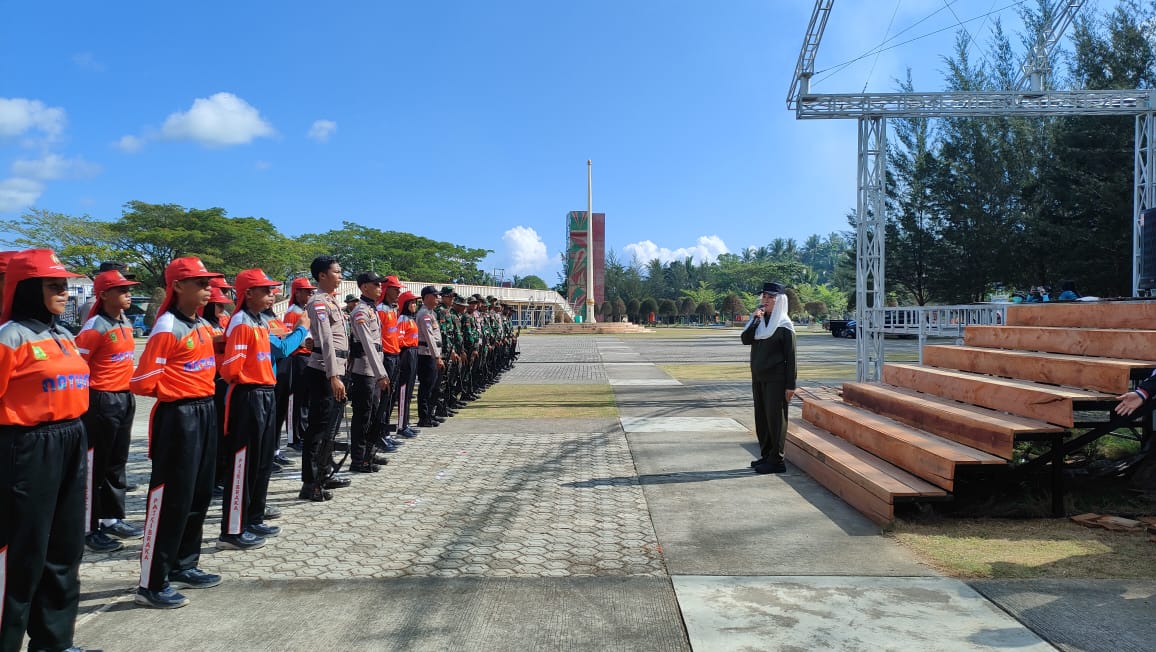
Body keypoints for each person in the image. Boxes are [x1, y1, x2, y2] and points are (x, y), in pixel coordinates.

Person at [0, 249, 90, 651]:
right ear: (26, 289)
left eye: (64, 285)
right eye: (53, 286)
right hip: (28, 446)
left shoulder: (63, 335)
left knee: (65, 545)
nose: (62, 292)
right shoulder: (11, 336)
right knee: (24, 550)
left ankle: (54, 640)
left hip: (71, 438)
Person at [130, 257, 226, 609]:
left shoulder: (200, 323)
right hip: (179, 416)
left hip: (204, 411)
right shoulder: (167, 326)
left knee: (199, 494)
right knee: (172, 498)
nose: (207, 289)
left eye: (208, 283)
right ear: (178, 287)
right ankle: (152, 582)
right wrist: (177, 390)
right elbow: (141, 381)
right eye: (200, 283)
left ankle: (186, 564)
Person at [217, 269, 288, 550]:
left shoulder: (261, 322)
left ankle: (254, 517)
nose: (272, 294)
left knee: (262, 460)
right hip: (248, 395)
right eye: (266, 289)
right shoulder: (242, 323)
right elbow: (231, 368)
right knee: (243, 463)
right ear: (248, 293)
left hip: (266, 393)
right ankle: (233, 529)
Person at [76, 267, 143, 554]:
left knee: (117, 462)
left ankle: (112, 518)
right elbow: (78, 369)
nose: (128, 294)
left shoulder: (124, 322)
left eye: (128, 289)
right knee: (95, 465)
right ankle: (88, 529)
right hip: (100, 400)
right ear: (103, 295)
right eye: (121, 289)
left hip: (123, 398)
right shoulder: (95, 328)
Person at [301, 256, 352, 502]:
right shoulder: (318, 302)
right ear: (322, 275)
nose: (340, 276)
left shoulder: (332, 302)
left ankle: (325, 472)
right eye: (337, 272)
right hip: (324, 370)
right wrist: (334, 375)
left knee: (330, 428)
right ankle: (311, 483)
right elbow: (326, 339)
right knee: (319, 428)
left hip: (336, 368)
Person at [740, 282, 796, 475]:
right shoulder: (759, 322)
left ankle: (777, 460)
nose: (766, 300)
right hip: (758, 378)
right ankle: (766, 455)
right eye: (764, 296)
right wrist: (755, 320)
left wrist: (791, 385)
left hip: (777, 380)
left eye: (771, 297)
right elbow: (746, 339)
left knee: (775, 420)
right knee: (761, 418)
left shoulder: (784, 325)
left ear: (779, 300)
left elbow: (791, 357)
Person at [347, 272, 391, 473]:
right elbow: (368, 345)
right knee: (363, 417)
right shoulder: (361, 312)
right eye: (376, 284)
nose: (380, 288)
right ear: (364, 287)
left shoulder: (371, 310)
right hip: (365, 370)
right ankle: (358, 460)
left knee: (374, 414)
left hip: (374, 369)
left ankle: (368, 454)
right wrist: (381, 374)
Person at [282, 276, 316, 450]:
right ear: (298, 292)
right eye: (307, 291)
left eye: (311, 291)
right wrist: (303, 342)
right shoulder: (292, 312)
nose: (310, 294)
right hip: (297, 358)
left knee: (305, 399)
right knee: (296, 399)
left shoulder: (305, 311)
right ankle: (293, 437)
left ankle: (302, 433)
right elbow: (288, 336)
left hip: (308, 357)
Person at [373, 275, 406, 441]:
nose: (398, 292)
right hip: (385, 357)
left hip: (395, 355)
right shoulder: (380, 310)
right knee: (383, 398)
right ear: (386, 289)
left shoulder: (392, 309)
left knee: (390, 397)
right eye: (395, 289)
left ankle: (385, 431)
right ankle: (379, 433)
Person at [415, 286, 444, 428]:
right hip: (427, 355)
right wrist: (437, 356)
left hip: (432, 354)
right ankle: (424, 417)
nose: (438, 298)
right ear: (426, 297)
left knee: (432, 387)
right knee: (426, 387)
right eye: (435, 296)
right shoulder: (424, 314)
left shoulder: (431, 313)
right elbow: (429, 337)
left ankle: (429, 415)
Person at [394, 291, 421, 438]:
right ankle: (401, 426)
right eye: (411, 302)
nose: (414, 305)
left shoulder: (412, 319)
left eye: (415, 303)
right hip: (406, 353)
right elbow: (399, 339)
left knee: (410, 390)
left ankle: (406, 423)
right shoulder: (403, 319)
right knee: (404, 390)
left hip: (413, 351)